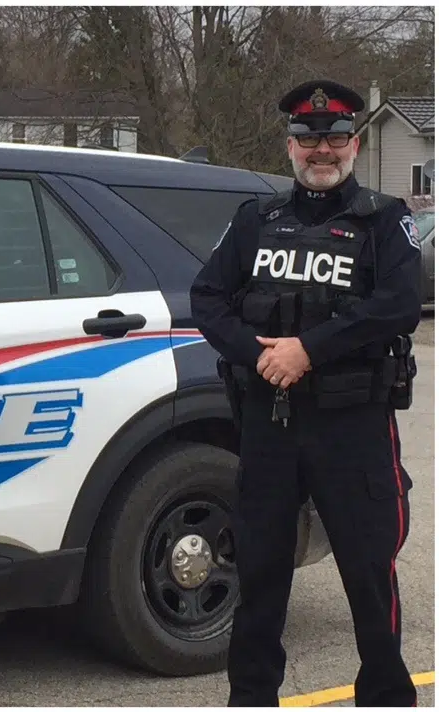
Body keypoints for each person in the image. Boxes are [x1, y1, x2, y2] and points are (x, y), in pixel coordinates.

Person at [190, 79, 421, 707]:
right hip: (270, 424)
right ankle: (252, 697)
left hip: (353, 426)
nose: (322, 150)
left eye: (335, 138)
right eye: (308, 139)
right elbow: (207, 298)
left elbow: (400, 304)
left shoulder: (383, 219)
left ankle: (385, 696)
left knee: (369, 577)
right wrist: (258, 353)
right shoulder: (257, 220)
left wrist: (309, 349)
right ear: (290, 146)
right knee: (261, 576)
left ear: (354, 142)